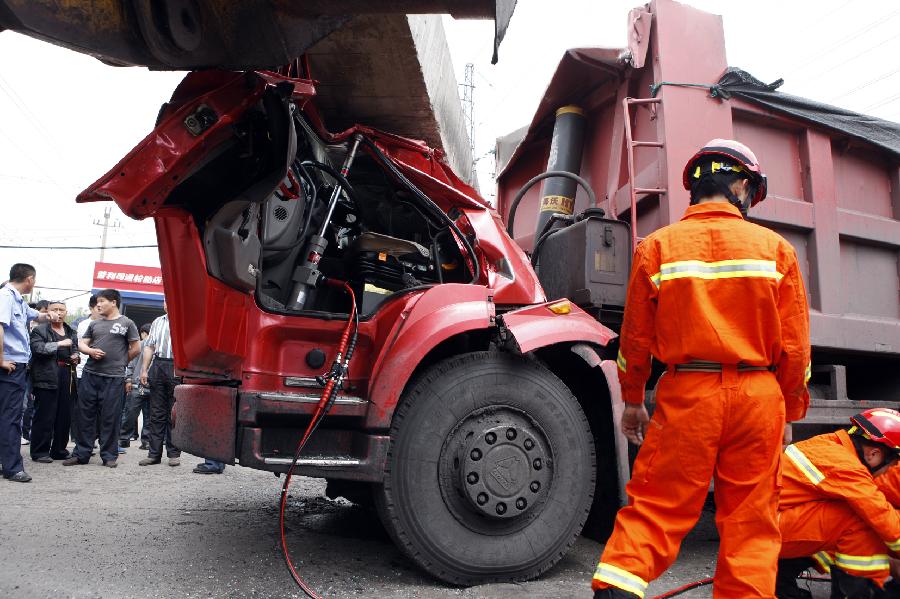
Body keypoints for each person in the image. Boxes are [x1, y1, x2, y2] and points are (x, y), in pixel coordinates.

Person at [592, 140, 812, 598]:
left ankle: (616, 588)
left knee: (657, 508)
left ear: (696, 185)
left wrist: (633, 401)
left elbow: (634, 341)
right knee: (751, 524)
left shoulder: (657, 248)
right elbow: (795, 349)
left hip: (688, 394)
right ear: (740, 184)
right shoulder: (776, 250)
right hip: (759, 397)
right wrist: (789, 411)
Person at [775, 409, 900, 599]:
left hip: (762, 522)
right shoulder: (846, 467)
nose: (885, 475)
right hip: (762, 529)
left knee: (846, 519)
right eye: (890, 467)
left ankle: (780, 581)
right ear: (874, 454)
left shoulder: (831, 445)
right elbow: (882, 518)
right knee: (858, 520)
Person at [64, 289, 139, 468]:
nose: (98, 304)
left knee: (110, 417)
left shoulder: (127, 323)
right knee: (85, 415)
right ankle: (81, 454)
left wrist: (121, 362)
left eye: (102, 301)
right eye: (97, 301)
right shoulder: (94, 324)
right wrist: (90, 351)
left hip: (114, 378)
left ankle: (109, 455)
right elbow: (82, 343)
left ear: (114, 302)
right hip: (90, 375)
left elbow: (135, 348)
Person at [0, 264, 51, 482]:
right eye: (35, 279)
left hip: (15, 364)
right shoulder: (6, 296)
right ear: (29, 279)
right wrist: (0, 359)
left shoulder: (18, 299)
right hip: (10, 364)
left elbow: (35, 315)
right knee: (11, 417)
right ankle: (12, 467)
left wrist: (50, 315)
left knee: (7, 415)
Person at [28, 300, 79, 462]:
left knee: (65, 414)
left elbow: (75, 348)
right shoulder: (39, 330)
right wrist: (59, 344)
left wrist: (76, 356)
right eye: (54, 309)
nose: (58, 312)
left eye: (61, 310)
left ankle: (59, 450)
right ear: (48, 312)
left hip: (67, 374)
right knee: (45, 414)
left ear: (66, 312)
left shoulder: (71, 331)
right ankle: (39, 451)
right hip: (46, 374)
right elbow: (38, 349)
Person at [139, 302, 181, 467]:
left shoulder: (184, 319)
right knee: (156, 412)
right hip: (158, 365)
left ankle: (174, 454)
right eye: (164, 300)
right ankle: (154, 454)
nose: (167, 303)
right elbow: (149, 346)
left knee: (174, 413)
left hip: (177, 366)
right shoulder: (158, 321)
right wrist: (144, 369)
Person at [21, 299, 49, 445]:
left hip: (35, 369)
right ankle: (23, 433)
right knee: (23, 404)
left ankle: (27, 434)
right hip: (22, 368)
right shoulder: (26, 325)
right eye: (45, 311)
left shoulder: (48, 329)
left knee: (30, 404)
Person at [120, 323, 151, 450]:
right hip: (137, 384)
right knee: (130, 413)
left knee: (150, 416)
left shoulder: (161, 346)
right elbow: (131, 363)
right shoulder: (141, 346)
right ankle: (123, 439)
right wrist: (128, 379)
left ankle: (146, 441)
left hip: (154, 385)